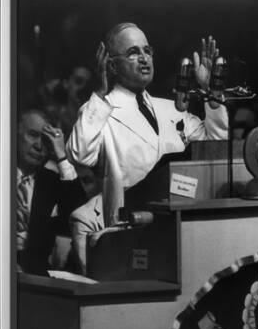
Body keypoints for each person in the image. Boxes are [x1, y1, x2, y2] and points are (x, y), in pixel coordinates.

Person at [67, 23, 229, 272]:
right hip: (132, 237)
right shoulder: (102, 110)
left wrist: (211, 93)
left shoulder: (173, 109)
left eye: (147, 50)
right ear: (112, 65)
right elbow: (79, 152)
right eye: (133, 52)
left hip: (183, 231)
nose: (144, 59)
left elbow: (215, 148)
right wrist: (99, 92)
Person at [17, 109, 86, 274]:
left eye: (46, 141)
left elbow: (82, 216)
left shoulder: (51, 182)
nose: (39, 146)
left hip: (34, 279)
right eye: (33, 135)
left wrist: (62, 156)